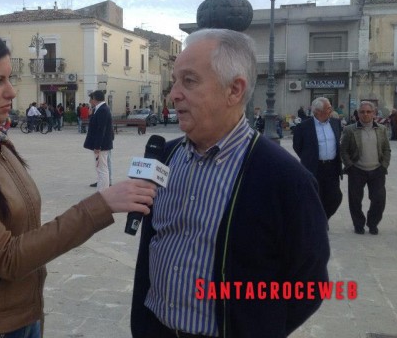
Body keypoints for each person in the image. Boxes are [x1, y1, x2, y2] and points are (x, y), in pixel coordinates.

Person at [0, 26, 157, 338]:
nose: (11, 92)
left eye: (9, 78)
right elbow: (8, 258)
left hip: (23, 318)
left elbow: (27, 232)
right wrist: (100, 205)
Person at [131, 29, 329, 338]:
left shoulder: (286, 179)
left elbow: (309, 285)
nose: (174, 94)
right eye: (175, 81)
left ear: (234, 90)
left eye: (189, 80)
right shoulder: (165, 158)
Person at [340, 101, 391, 235]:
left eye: (368, 112)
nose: (365, 114)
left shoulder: (381, 129)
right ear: (358, 114)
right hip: (357, 170)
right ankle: (358, 224)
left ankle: (373, 223)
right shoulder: (350, 129)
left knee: (379, 199)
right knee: (355, 200)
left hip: (377, 170)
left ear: (374, 113)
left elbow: (386, 149)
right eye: (362, 112)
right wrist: (350, 166)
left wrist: (384, 165)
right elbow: (343, 150)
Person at [293, 97, 343, 220]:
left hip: (332, 167)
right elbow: (297, 146)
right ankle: (317, 221)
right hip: (314, 167)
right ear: (317, 111)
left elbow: (337, 142)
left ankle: (324, 218)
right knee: (314, 196)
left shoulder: (335, 123)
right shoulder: (303, 127)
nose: (331, 110)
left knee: (335, 197)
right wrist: (309, 158)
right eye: (328, 108)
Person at [84, 90, 114, 191]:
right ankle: (102, 190)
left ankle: (103, 192)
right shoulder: (99, 109)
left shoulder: (102, 110)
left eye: (91, 99)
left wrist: (97, 146)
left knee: (102, 169)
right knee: (101, 168)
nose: (90, 101)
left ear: (95, 99)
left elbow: (101, 129)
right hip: (102, 144)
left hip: (102, 146)